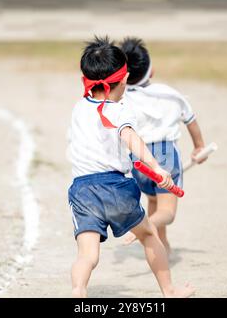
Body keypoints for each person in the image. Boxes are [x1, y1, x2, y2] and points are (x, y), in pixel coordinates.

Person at [68, 36, 195, 298]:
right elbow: (131, 138)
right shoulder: (120, 109)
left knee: (88, 254)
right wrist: (157, 168)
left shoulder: (79, 108)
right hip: (115, 187)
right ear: (124, 80)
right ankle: (169, 291)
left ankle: (78, 290)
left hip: (81, 190)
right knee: (149, 235)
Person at [120, 37, 207, 254]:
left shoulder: (123, 99)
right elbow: (191, 120)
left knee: (153, 199)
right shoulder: (169, 94)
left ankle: (162, 246)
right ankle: (142, 226)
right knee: (167, 212)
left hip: (139, 159)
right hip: (165, 153)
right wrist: (199, 146)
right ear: (152, 71)